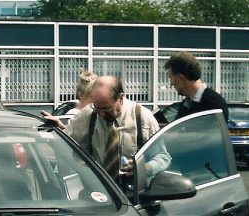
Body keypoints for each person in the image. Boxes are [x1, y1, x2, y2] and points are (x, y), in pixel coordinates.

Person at [42, 76, 170, 184]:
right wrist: (60, 129)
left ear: (120, 98)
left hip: (135, 196)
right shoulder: (88, 115)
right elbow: (68, 141)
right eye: (98, 109)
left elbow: (163, 157)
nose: (102, 114)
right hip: (100, 195)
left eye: (107, 109)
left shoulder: (142, 118)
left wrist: (144, 168)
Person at [164, 51, 229, 121]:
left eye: (170, 77)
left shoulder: (215, 105)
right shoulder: (185, 105)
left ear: (181, 78)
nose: (171, 84)